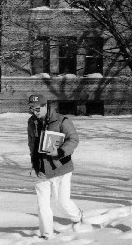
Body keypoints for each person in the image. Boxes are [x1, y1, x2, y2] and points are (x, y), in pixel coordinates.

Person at [27, 94, 83, 240]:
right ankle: (47, 234)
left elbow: (74, 139)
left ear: (46, 106)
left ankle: (77, 217)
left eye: (37, 108)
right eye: (32, 109)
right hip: (41, 170)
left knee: (62, 203)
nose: (35, 112)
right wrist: (34, 165)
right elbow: (32, 146)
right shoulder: (31, 122)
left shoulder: (62, 120)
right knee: (42, 205)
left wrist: (60, 151)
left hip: (60, 168)